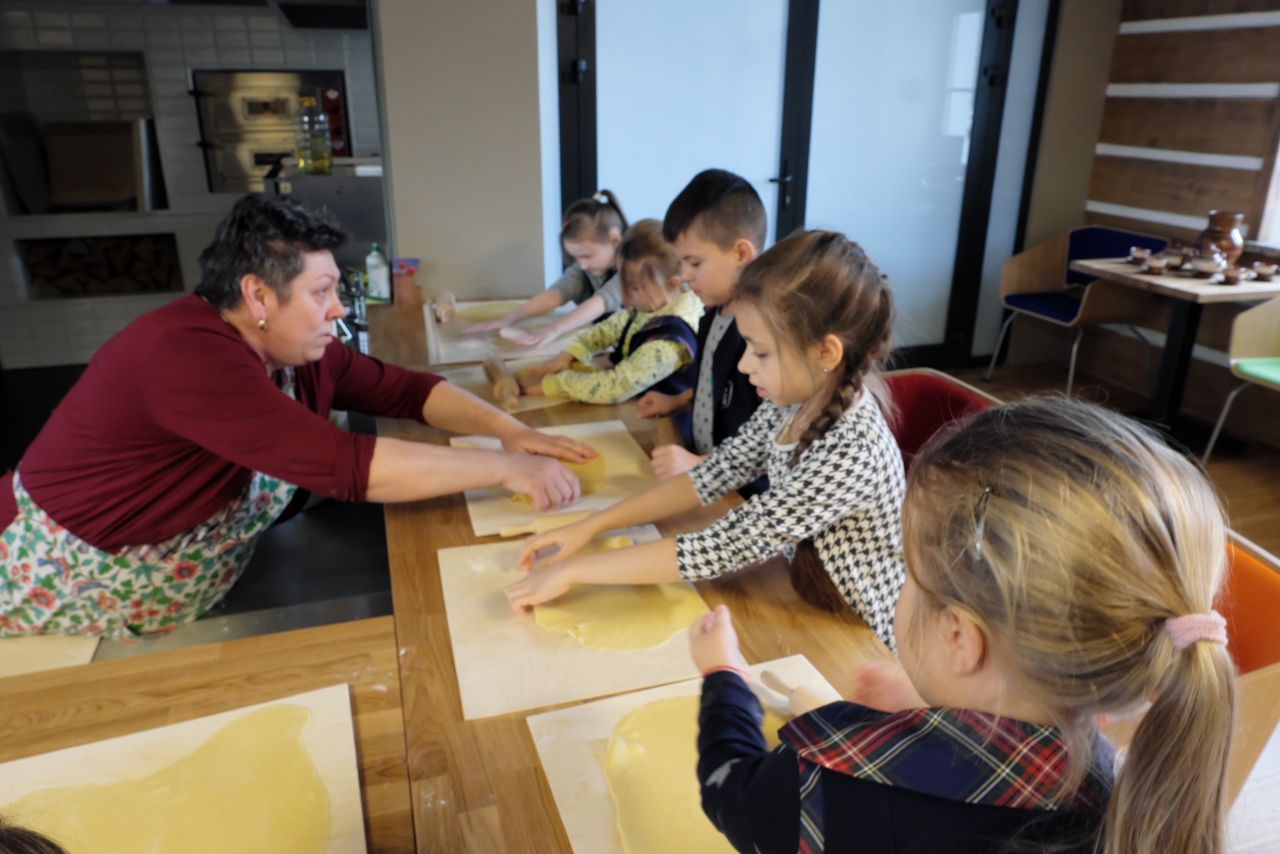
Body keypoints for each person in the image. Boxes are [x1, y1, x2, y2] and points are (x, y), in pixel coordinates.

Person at [0, 194, 593, 640]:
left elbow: (403, 391)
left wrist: (510, 431)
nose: (337, 311)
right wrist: (507, 469)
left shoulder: (295, 350)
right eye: (322, 292)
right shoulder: (184, 356)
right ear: (258, 296)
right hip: (59, 570)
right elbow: (347, 465)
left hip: (182, 575)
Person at [690, 397, 1236, 854]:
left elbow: (730, 790)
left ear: (959, 639)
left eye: (909, 572)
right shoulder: (1131, 803)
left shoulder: (828, 787)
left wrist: (724, 677)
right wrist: (942, 709)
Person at [507, 230, 906, 647]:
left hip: (866, 635)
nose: (746, 365)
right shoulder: (790, 403)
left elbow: (723, 545)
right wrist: (591, 526)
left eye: (761, 352)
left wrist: (575, 571)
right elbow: (712, 475)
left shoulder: (853, 451)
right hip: (810, 602)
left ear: (826, 353)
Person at [638, 170, 766, 487]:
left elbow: (778, 440)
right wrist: (678, 401)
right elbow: (717, 388)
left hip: (743, 494)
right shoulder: (712, 316)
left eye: (694, 263)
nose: (685, 275)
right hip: (705, 478)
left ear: (741, 253)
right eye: (681, 263)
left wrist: (700, 465)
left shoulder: (764, 338)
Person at [520, 219, 703, 414]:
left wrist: (552, 385)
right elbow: (609, 329)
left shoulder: (669, 342)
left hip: (664, 419)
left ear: (673, 284)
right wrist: (569, 354)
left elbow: (614, 387)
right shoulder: (655, 305)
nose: (626, 296)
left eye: (634, 288)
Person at [464, 190, 628, 346]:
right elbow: (556, 294)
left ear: (614, 241)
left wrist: (553, 330)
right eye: (576, 258)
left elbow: (600, 302)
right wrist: (507, 319)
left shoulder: (632, 269)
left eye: (587, 256)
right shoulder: (586, 268)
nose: (583, 265)